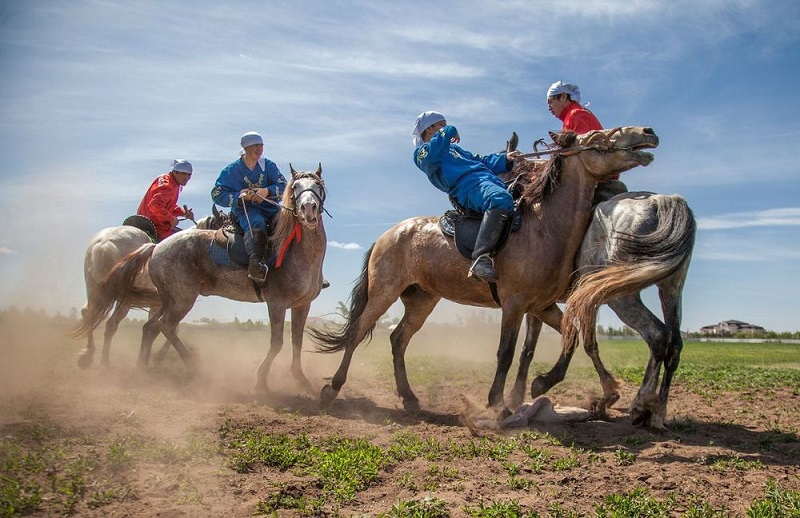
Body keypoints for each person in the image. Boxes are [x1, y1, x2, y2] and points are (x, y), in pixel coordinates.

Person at [412, 111, 520, 283]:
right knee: (499, 199)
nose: (445, 128)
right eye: (442, 124)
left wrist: (505, 159)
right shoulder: (422, 153)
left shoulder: (455, 150)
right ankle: (480, 257)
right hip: (467, 186)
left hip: (486, 180)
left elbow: (481, 161)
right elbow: (434, 152)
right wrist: (450, 130)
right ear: (429, 128)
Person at [211, 131, 286, 285]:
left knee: (291, 221)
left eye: (261, 145)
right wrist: (240, 196)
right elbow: (217, 194)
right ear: (245, 148)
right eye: (255, 146)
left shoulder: (268, 166)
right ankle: (255, 265)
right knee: (257, 223)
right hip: (244, 210)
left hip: (270, 207)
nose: (259, 149)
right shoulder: (232, 170)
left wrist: (267, 191)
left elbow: (284, 186)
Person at [546, 81, 627, 203]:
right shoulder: (572, 116)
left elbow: (584, 152)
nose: (549, 107)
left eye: (550, 101)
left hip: (596, 182)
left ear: (563, 97)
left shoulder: (577, 115)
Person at [136, 159, 195, 241]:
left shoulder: (170, 181)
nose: (187, 177)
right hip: (155, 227)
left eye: (189, 175)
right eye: (184, 174)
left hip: (149, 222)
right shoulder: (168, 186)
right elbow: (155, 206)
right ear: (175, 172)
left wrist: (183, 212)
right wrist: (171, 218)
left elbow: (167, 206)